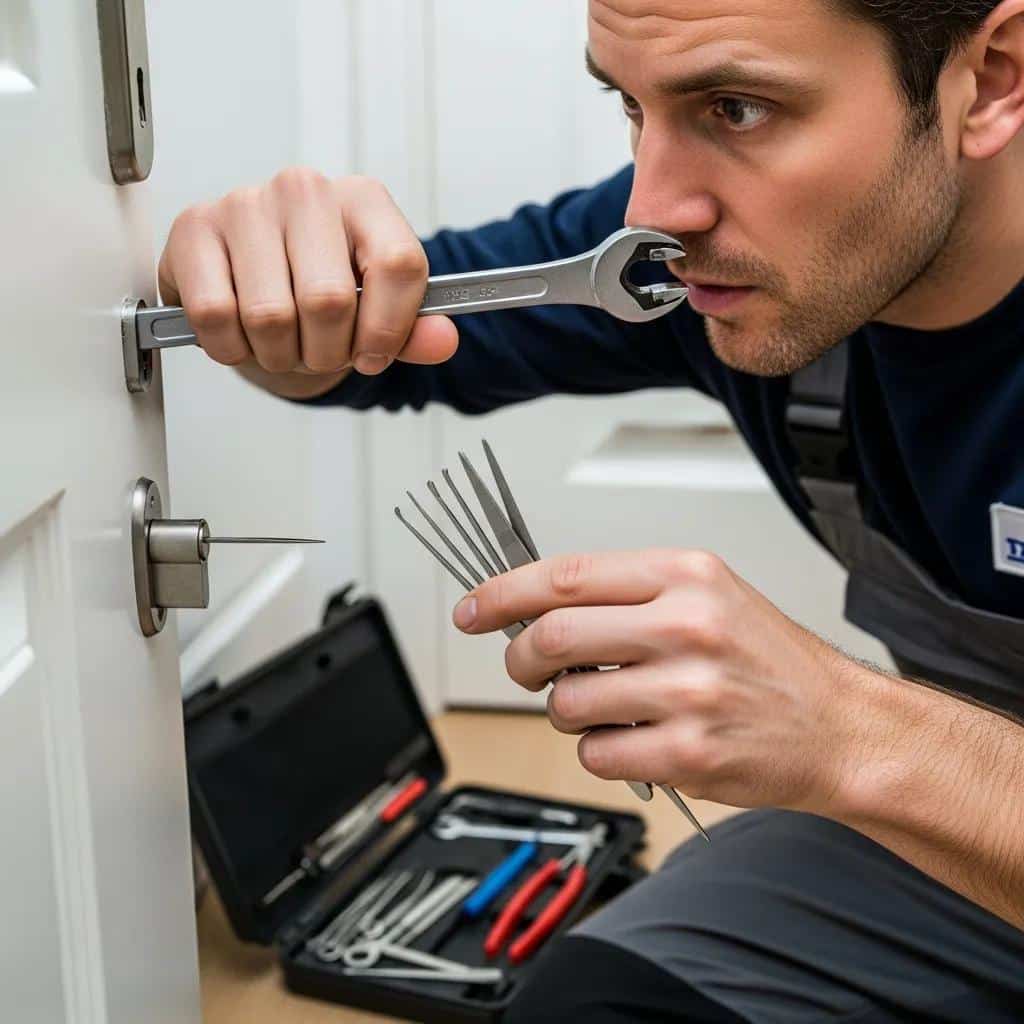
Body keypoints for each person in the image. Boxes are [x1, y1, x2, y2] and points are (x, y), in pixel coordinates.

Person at [160, 2, 1024, 1019]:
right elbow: (377, 350)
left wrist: (850, 730)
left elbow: (870, 747)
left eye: (737, 108)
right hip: (953, 841)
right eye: (628, 104)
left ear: (993, 77)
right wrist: (248, 281)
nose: (654, 207)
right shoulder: (713, 264)